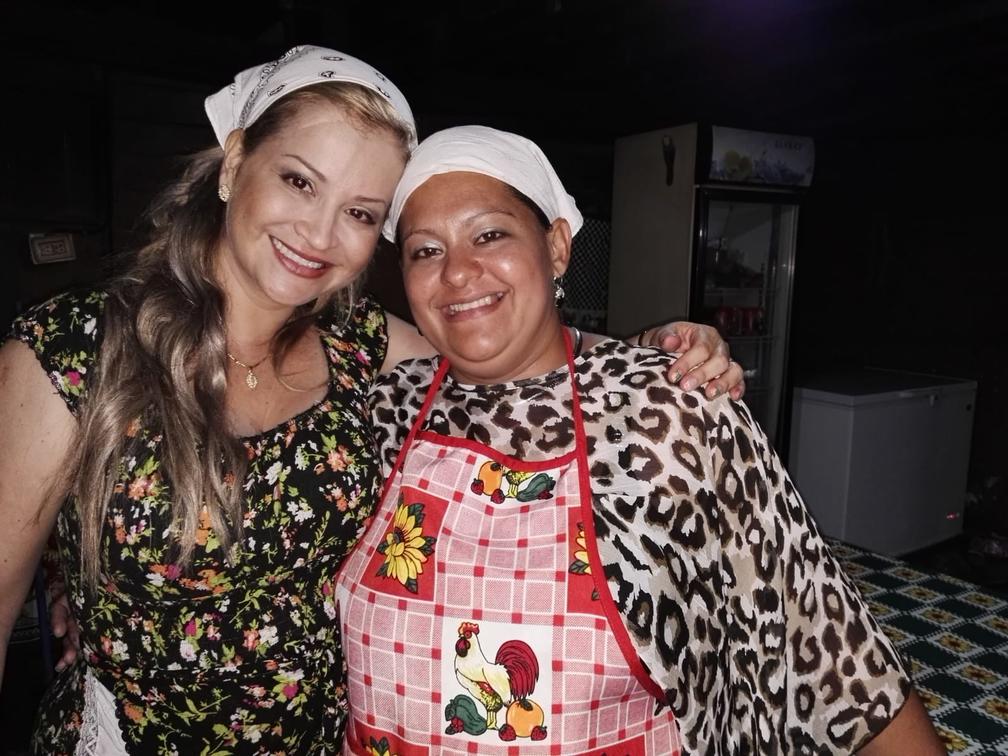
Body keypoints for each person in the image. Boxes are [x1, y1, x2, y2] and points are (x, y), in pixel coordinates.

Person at [0, 48, 742, 754]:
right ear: (234, 163)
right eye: (299, 181)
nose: (319, 233)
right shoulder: (71, 353)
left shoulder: (359, 347)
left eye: (360, 213)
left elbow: (515, 359)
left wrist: (649, 355)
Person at [336, 126, 947, 755]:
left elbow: (825, 645)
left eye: (489, 234)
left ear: (557, 247)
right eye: (425, 250)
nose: (458, 271)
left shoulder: (669, 410)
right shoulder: (383, 409)